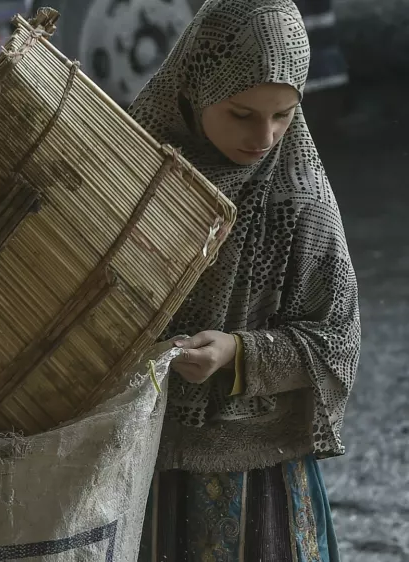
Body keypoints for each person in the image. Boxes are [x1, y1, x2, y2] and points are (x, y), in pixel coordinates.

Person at [127, 0, 360, 559]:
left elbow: (337, 343)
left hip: (255, 485)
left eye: (283, 115)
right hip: (130, 458)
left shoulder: (298, 203)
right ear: (195, 84)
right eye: (242, 114)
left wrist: (237, 350)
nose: (265, 135)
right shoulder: (133, 170)